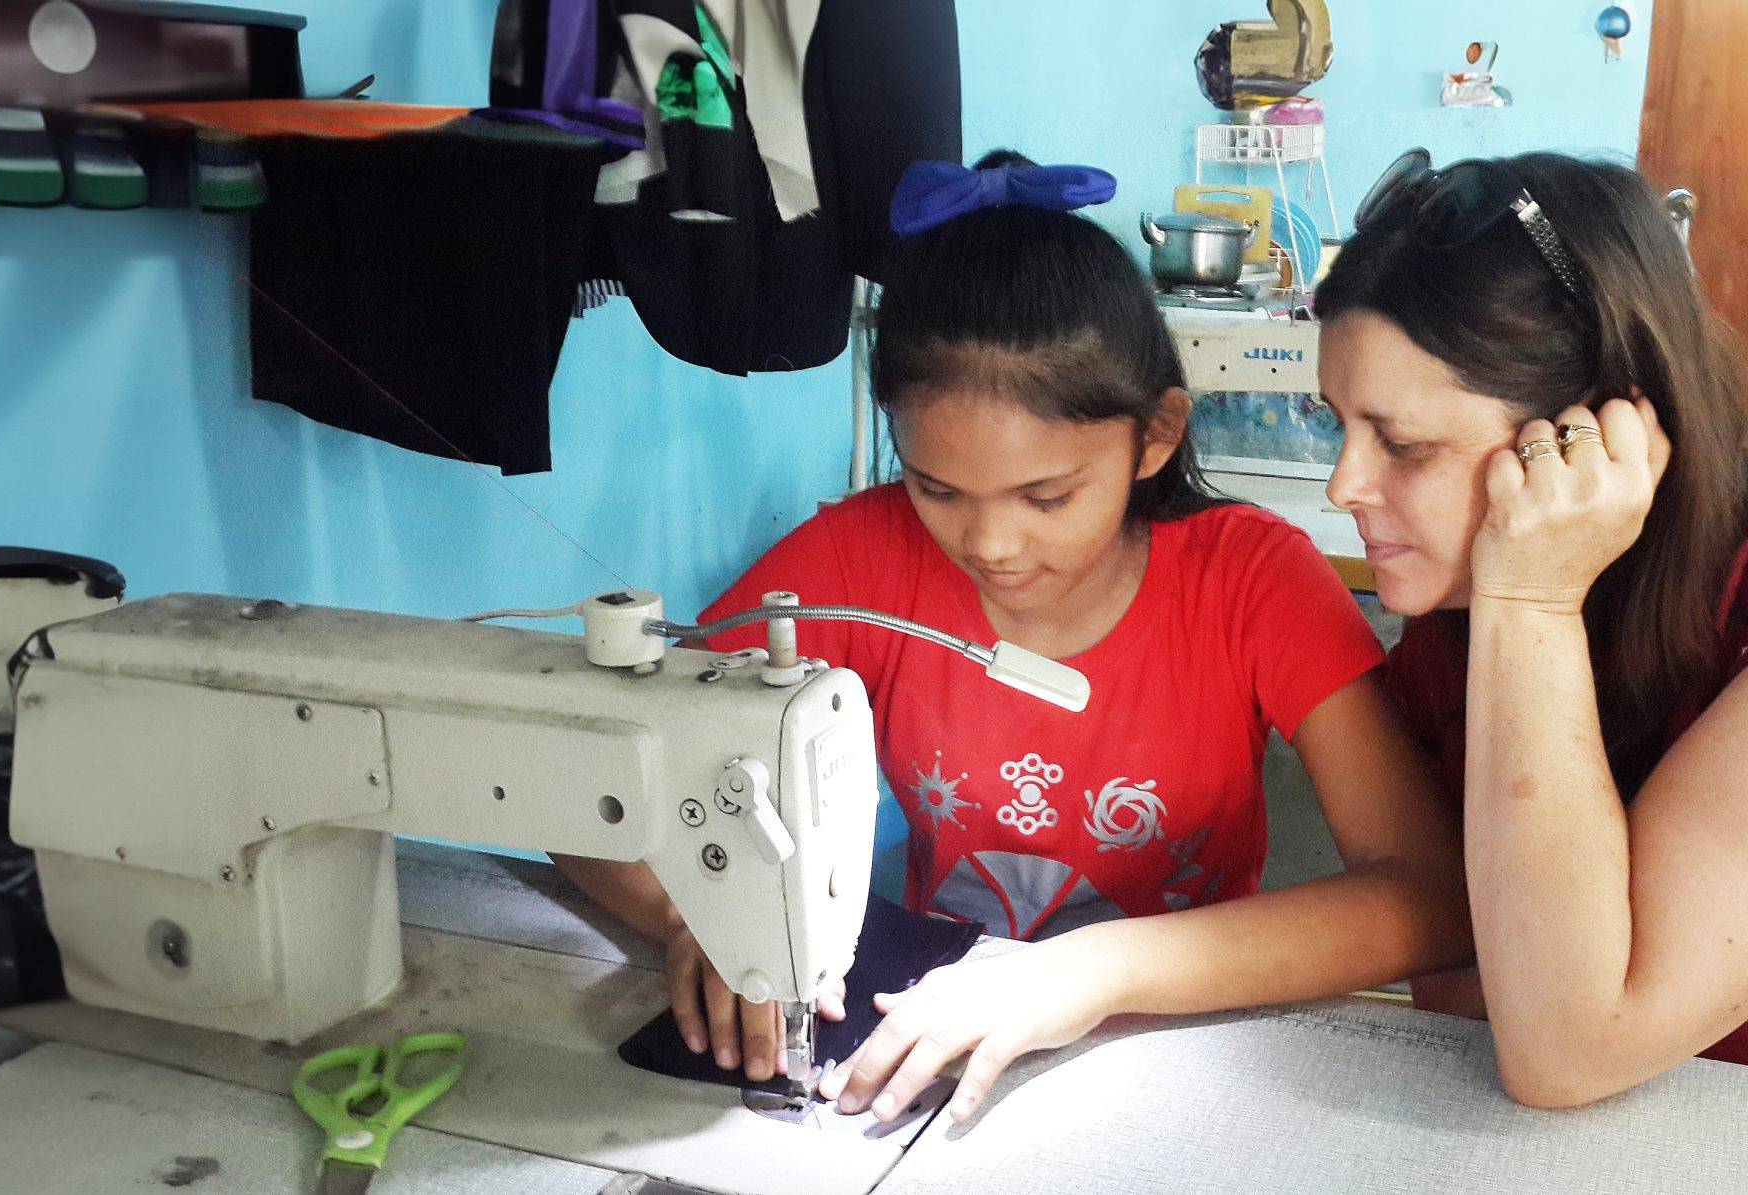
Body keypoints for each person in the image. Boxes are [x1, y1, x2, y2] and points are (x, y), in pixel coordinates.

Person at [558, 151, 1472, 1120]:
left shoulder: (1252, 581)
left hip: (1181, 1038)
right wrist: (700, 914)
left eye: (1047, 495)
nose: (989, 543)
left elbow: (1428, 895)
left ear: (1155, 437)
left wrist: (1089, 972)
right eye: (937, 488)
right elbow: (583, 773)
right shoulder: (865, 555)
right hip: (930, 1007)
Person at [1314, 148, 1748, 1108]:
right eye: (1336, 423)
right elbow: (1468, 1000)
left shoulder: (1510, 604)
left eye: (1404, 443)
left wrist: (1533, 603)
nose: (1342, 486)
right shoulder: (1452, 633)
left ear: (1588, 438)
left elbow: (1565, 1049)